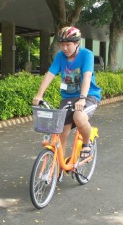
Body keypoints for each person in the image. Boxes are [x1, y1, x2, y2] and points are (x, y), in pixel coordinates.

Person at [32, 26, 101, 159]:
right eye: (62, 45)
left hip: (89, 95)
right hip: (68, 97)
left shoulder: (87, 55)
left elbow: (87, 76)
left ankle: (87, 143)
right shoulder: (60, 57)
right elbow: (49, 75)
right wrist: (39, 94)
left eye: (68, 45)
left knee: (79, 117)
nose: (64, 48)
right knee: (59, 134)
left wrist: (82, 98)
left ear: (76, 43)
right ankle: (57, 168)